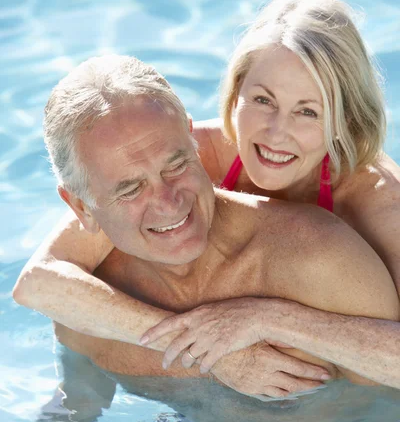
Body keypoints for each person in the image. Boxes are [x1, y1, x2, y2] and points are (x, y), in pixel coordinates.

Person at [13, 54, 400, 396]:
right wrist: (207, 351)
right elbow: (41, 288)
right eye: (130, 189)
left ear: (192, 140)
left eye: (177, 165)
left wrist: (270, 317)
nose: (168, 203)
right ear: (82, 207)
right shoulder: (90, 304)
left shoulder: (338, 245)